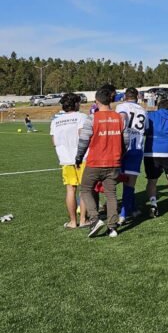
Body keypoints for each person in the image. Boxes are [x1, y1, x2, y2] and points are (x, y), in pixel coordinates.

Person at [75, 87, 129, 238]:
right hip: (114, 162)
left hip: (95, 162)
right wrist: (120, 155)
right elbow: (126, 141)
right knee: (111, 194)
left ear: (97, 101)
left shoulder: (92, 118)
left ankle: (94, 219)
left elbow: (83, 140)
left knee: (85, 189)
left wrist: (78, 157)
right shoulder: (120, 118)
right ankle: (112, 227)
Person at [50, 93, 88, 229]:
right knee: (84, 190)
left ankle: (73, 221)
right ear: (76, 104)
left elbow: (54, 142)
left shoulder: (55, 121)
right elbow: (82, 135)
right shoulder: (81, 117)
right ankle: (83, 220)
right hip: (82, 158)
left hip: (65, 159)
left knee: (70, 190)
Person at [143, 99, 168, 217]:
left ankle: (153, 204)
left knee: (152, 180)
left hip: (151, 152)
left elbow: (144, 130)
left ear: (157, 107)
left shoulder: (150, 115)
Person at [116, 88, 147, 224]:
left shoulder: (121, 106)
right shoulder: (143, 110)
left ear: (124, 96)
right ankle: (130, 209)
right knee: (130, 184)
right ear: (137, 97)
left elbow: (121, 119)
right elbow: (145, 129)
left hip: (122, 147)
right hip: (137, 148)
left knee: (111, 179)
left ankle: (122, 214)